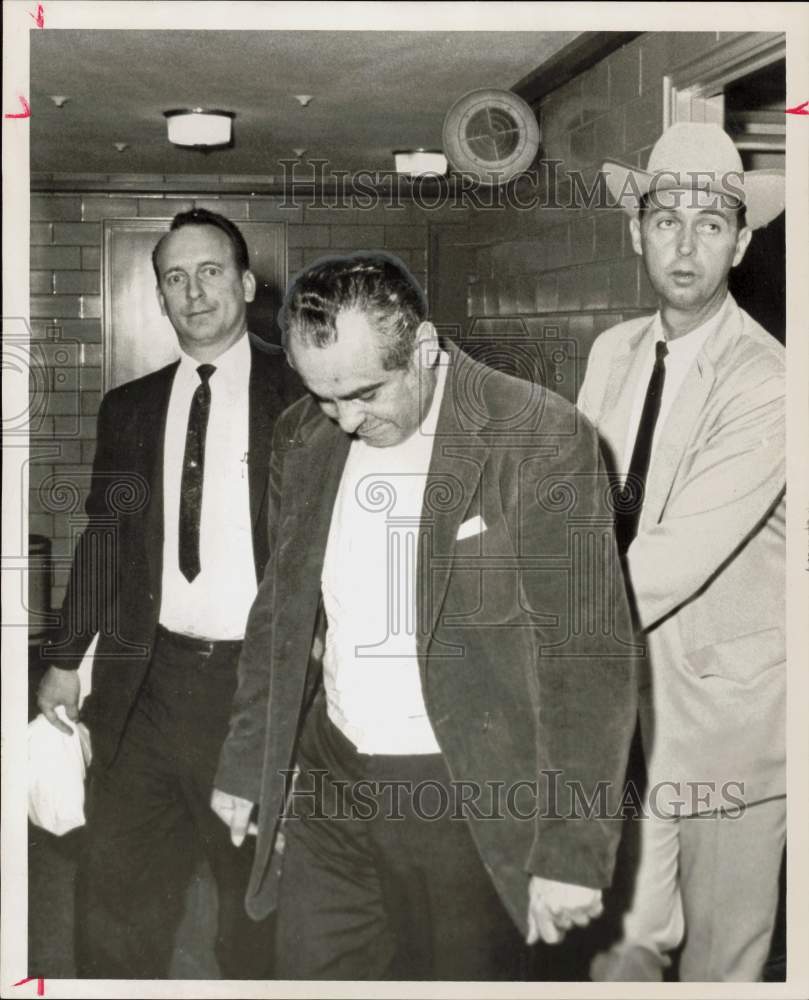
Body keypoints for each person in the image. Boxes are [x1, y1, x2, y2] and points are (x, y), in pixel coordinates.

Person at [211, 250, 639, 980]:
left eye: (364, 394)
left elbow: (586, 657)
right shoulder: (301, 436)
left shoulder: (537, 438)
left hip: (466, 790)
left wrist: (571, 849)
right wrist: (252, 762)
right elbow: (281, 615)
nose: (344, 420)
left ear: (425, 349)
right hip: (332, 779)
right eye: (323, 396)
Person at [36, 207, 300, 978]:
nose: (194, 292)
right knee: (115, 901)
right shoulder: (130, 407)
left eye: (210, 271)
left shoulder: (302, 398)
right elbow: (104, 541)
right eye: (174, 278)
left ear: (248, 285)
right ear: (158, 296)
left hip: (252, 691)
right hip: (141, 686)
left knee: (252, 908)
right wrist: (62, 658)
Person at [578, 123, 786, 981]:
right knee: (620, 952)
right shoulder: (610, 351)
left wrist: (535, 626)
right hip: (620, 715)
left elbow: (672, 555)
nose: (686, 243)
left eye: (711, 224)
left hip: (728, 728)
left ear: (739, 242)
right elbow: (579, 509)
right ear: (636, 232)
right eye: (666, 220)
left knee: (718, 968)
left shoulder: (767, 379)